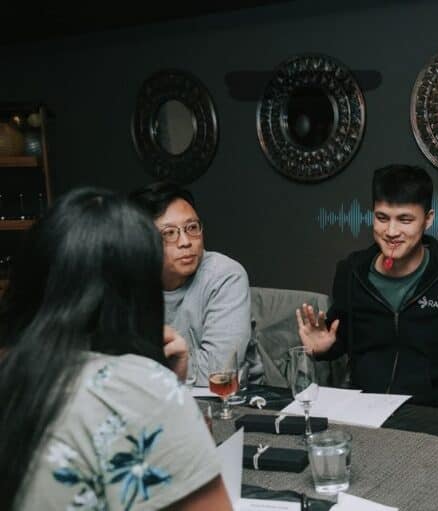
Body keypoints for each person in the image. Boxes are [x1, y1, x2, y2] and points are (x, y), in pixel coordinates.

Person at [0, 188, 231, 510]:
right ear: (141, 283)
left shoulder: (12, 369)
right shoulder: (141, 387)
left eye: (192, 228)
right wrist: (165, 389)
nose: (184, 241)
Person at [296, 164, 438, 408]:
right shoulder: (352, 271)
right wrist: (326, 348)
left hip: (434, 418)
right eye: (382, 218)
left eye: (405, 220)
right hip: (365, 411)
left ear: (428, 220)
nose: (391, 231)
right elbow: (344, 340)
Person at [130, 182, 254, 385]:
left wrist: (145, 363)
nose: (186, 241)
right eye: (169, 233)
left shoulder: (225, 275)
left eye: (192, 227)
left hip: (232, 401)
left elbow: (218, 371)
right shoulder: (128, 279)